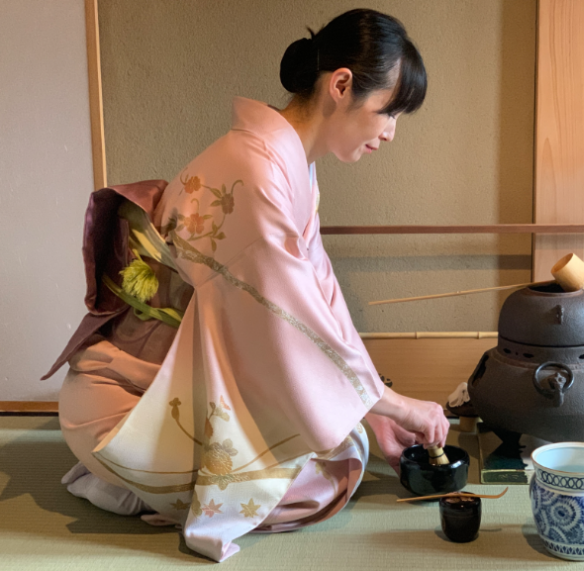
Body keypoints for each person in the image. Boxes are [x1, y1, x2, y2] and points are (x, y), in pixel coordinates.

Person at [43, 8, 449, 562]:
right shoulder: (255, 172)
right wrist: (400, 407)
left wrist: (372, 406)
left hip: (177, 382)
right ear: (341, 85)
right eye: (387, 112)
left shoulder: (291, 165)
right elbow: (294, 327)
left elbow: (321, 301)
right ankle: (131, 480)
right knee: (317, 482)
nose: (390, 131)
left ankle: (151, 482)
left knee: (346, 445)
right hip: (129, 394)